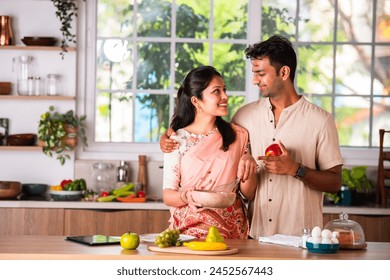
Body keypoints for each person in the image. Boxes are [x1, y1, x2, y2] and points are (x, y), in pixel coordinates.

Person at [161, 35, 343, 239]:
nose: (254, 80)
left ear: (284, 72)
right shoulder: (244, 117)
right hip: (256, 234)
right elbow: (206, 133)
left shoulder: (320, 120)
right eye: (254, 73)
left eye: (260, 74)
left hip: (301, 235)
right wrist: (169, 135)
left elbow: (335, 183)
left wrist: (296, 169)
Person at [162, 65, 257, 239]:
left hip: (231, 232)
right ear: (196, 101)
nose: (225, 96)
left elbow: (248, 193)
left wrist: (250, 164)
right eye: (216, 91)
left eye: (224, 90)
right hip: (189, 230)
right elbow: (168, 195)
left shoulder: (239, 135)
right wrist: (188, 196)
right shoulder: (176, 140)